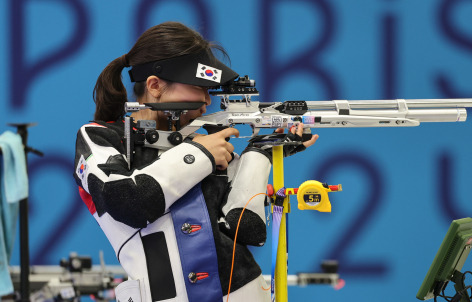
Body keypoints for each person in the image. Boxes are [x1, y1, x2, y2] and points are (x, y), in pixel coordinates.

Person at [73, 21, 318, 302]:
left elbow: (246, 226)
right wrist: (198, 154)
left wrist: (260, 152)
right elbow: (127, 202)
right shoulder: (100, 137)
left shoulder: (204, 144)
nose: (206, 102)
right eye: (199, 88)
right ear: (155, 86)